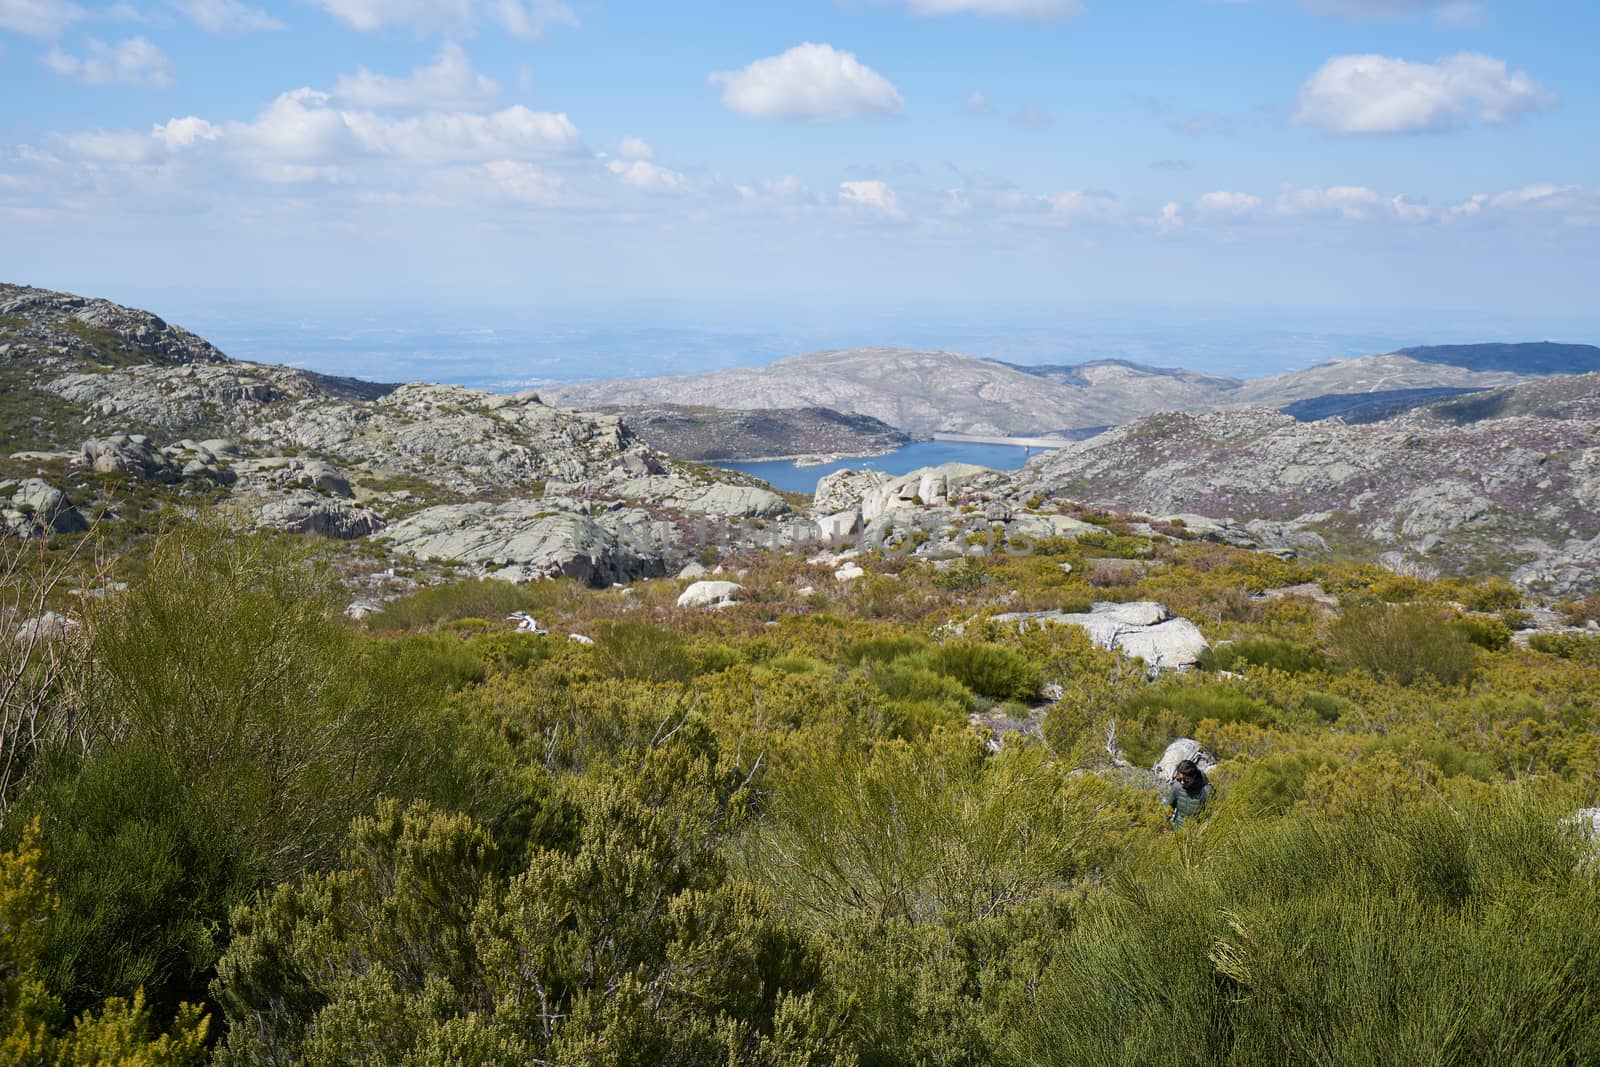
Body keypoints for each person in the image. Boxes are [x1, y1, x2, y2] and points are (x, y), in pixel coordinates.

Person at [1163, 759, 1212, 829]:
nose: (1182, 782)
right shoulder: (1177, 787)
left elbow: (1210, 816)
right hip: (1177, 832)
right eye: (1180, 779)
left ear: (1194, 776)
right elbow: (1168, 807)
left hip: (1197, 833)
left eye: (1185, 780)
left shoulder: (1206, 791)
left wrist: (1202, 832)